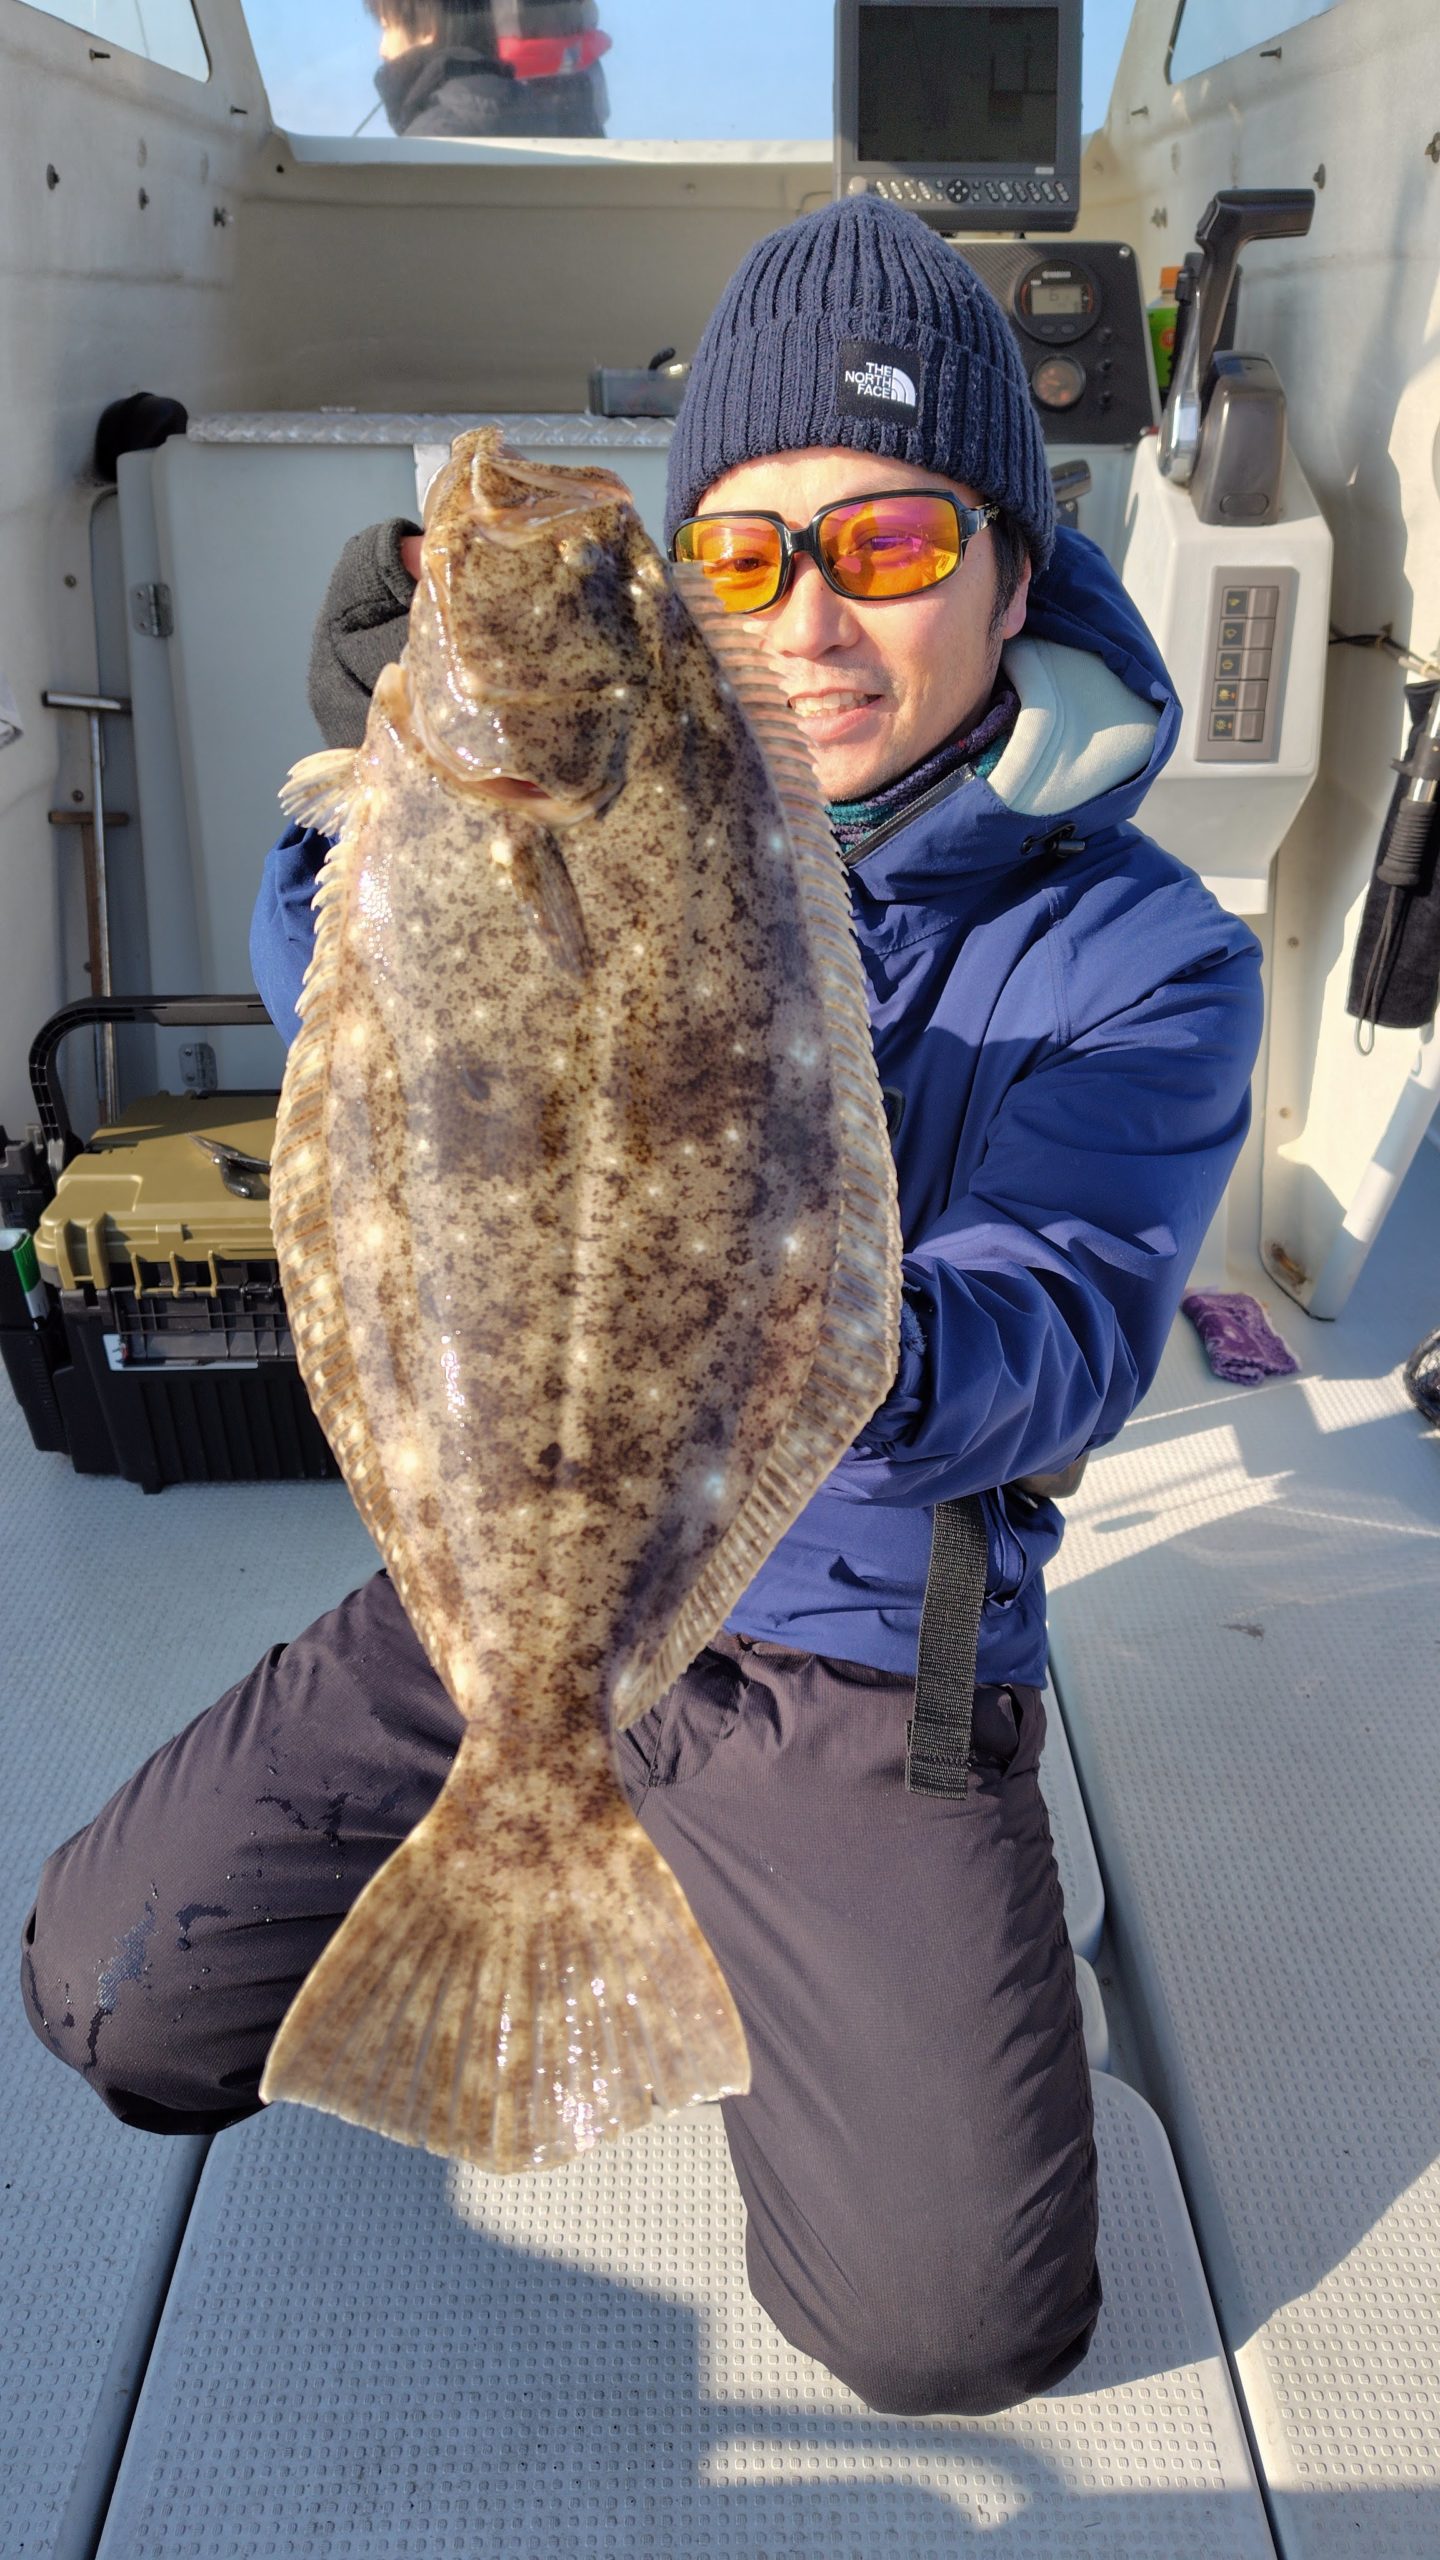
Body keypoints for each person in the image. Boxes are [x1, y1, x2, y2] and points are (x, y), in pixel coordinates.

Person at [21, 198, 1263, 2419]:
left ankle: (754, 1909)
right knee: (110, 1995)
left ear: (1011, 557)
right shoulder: (548, 799)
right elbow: (359, 1050)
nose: (813, 622)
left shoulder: (1146, 951)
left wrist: (776, 1317)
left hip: (849, 1645)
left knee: (944, 2328)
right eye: (743, 558)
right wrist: (363, 820)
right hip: (507, 1571)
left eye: (881, 545)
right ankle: (588, 1842)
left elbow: (1066, 1331)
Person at [366, 0, 611, 142]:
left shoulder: (434, 139)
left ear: (427, 29)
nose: (382, 49)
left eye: (387, 28)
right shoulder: (567, 126)